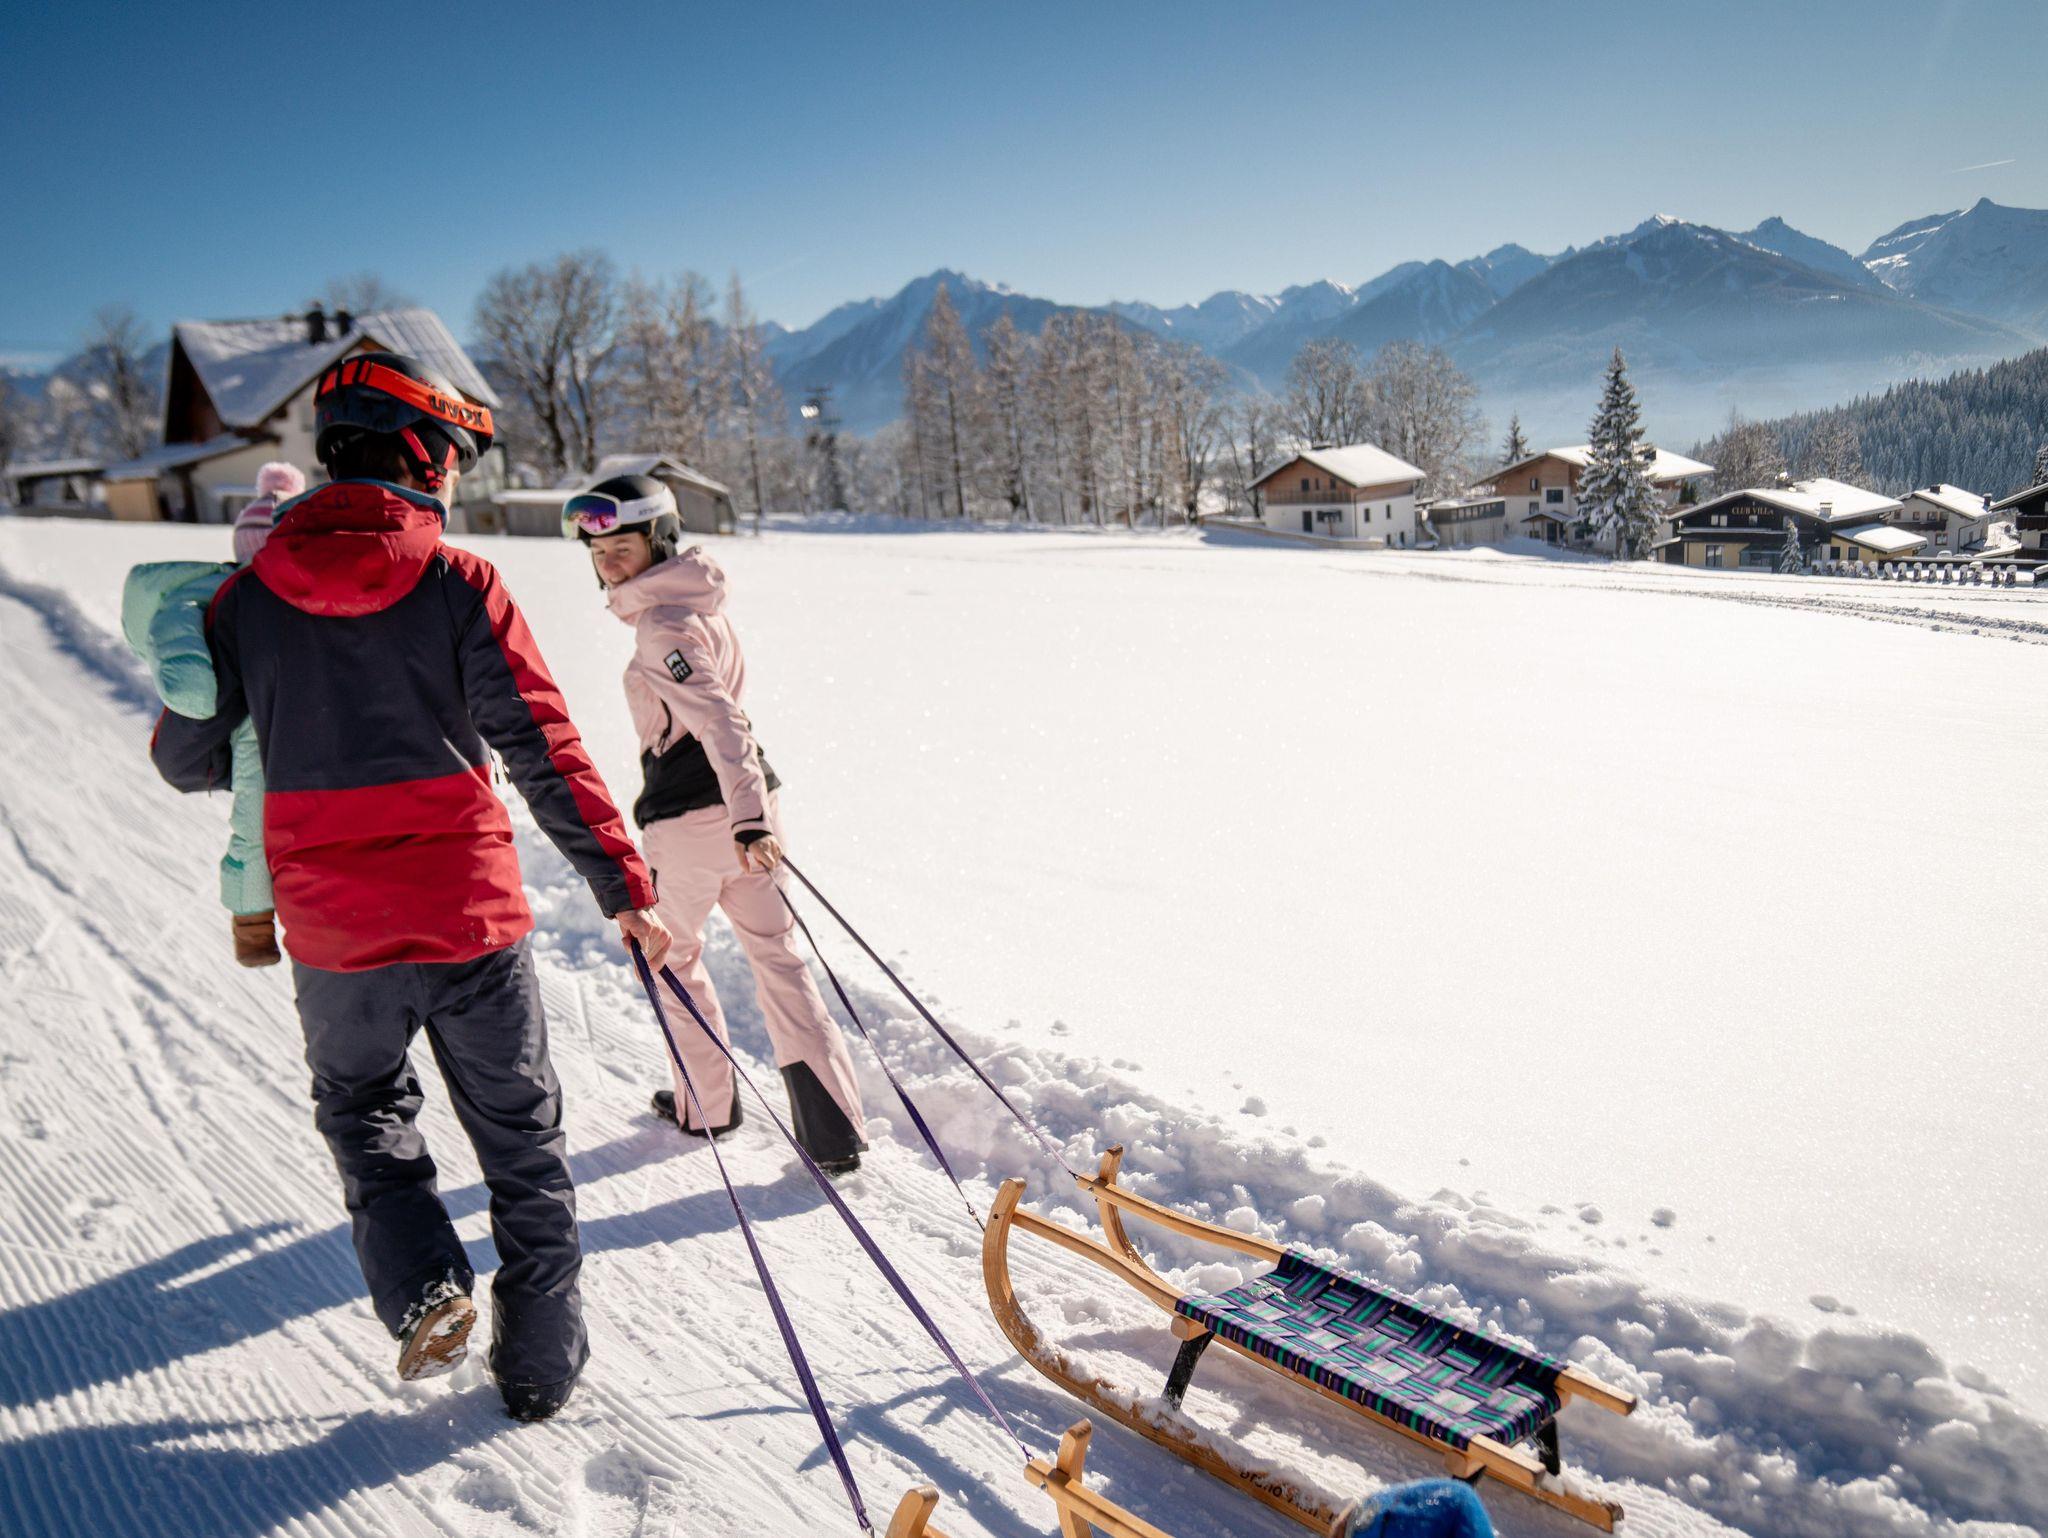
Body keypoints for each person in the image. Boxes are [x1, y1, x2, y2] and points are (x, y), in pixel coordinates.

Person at [151, 353, 671, 1423]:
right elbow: (540, 744)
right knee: (521, 1141)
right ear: (421, 452)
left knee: (362, 1110)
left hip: (334, 929)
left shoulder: (247, 597)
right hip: (466, 912)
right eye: (453, 454)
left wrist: (216, 661)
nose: (455, 474)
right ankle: (538, 1365)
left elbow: (187, 758)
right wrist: (620, 882)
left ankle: (424, 1284)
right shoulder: (458, 580)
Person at [566, 474, 868, 1174]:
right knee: (779, 959)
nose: (610, 564)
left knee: (669, 955)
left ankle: (706, 1105)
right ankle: (833, 1130)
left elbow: (721, 720)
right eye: (599, 552)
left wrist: (746, 819)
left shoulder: (661, 625)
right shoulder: (700, 605)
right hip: (749, 813)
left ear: (660, 539)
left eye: (622, 547)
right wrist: (755, 817)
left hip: (697, 823)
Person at [120, 459, 306, 967]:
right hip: (249, 718)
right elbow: (180, 649)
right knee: (257, 812)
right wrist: (196, 692)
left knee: (257, 816)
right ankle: (252, 925)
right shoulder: (218, 592)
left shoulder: (233, 591)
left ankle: (255, 921)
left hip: (265, 713)